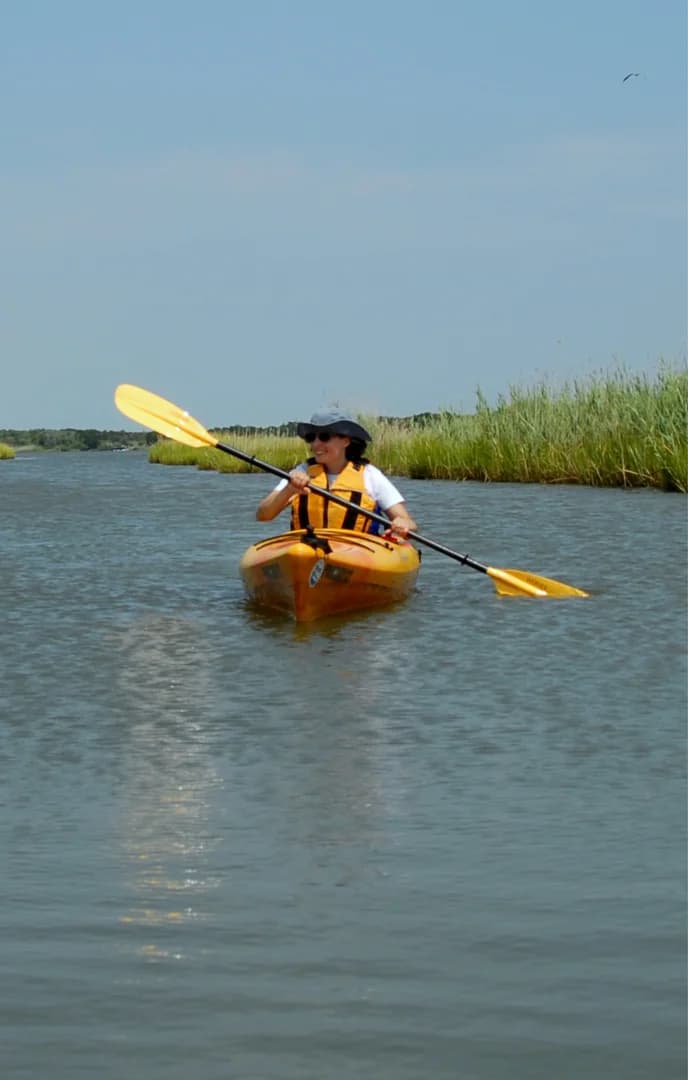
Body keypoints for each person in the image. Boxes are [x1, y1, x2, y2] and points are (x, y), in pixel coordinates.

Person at [256, 409, 417, 539]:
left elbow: (409, 523)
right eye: (312, 437)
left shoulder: (370, 475)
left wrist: (402, 523)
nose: (316, 444)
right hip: (307, 550)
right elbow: (263, 514)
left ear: (346, 441)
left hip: (357, 554)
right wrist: (289, 489)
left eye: (325, 436)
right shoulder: (302, 471)